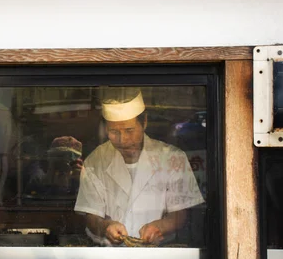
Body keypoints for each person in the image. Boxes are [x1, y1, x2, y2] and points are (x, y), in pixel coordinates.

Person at [74, 90, 204, 245]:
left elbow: (180, 214)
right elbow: (91, 216)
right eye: (114, 132)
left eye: (129, 130)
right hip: (108, 256)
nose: (123, 140)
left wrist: (160, 226)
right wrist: (105, 226)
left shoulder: (172, 158)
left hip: (159, 256)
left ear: (144, 122)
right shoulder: (95, 161)